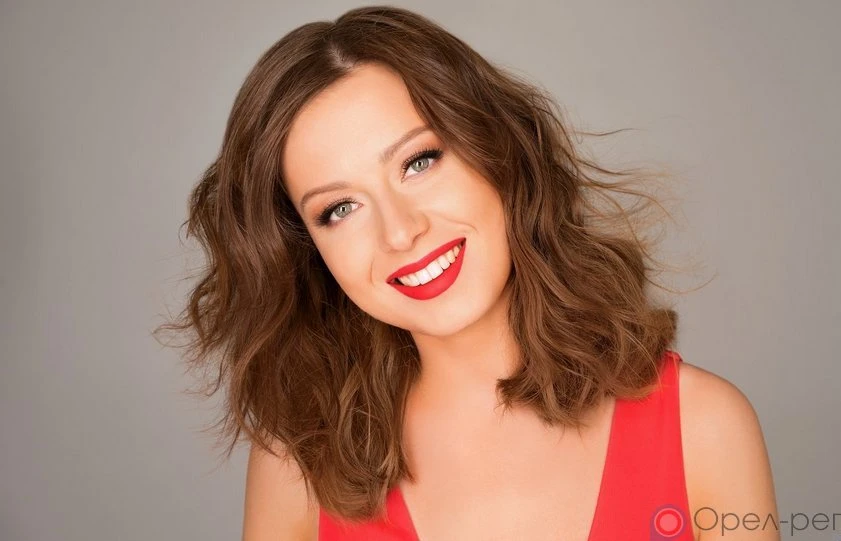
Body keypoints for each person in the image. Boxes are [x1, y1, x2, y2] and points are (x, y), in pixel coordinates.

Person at [161, 5, 779, 540]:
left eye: (419, 161)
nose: (400, 231)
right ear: (307, 251)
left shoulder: (703, 428)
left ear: (496, 149)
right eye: (340, 209)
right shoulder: (298, 466)